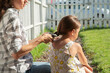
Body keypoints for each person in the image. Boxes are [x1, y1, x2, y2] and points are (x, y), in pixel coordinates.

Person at [0, 0, 52, 73]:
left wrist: (41, 37)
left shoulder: (7, 14)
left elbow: (20, 45)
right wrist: (40, 40)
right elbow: (16, 53)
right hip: (16, 69)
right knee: (48, 68)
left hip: (9, 67)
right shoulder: (12, 17)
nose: (26, 1)